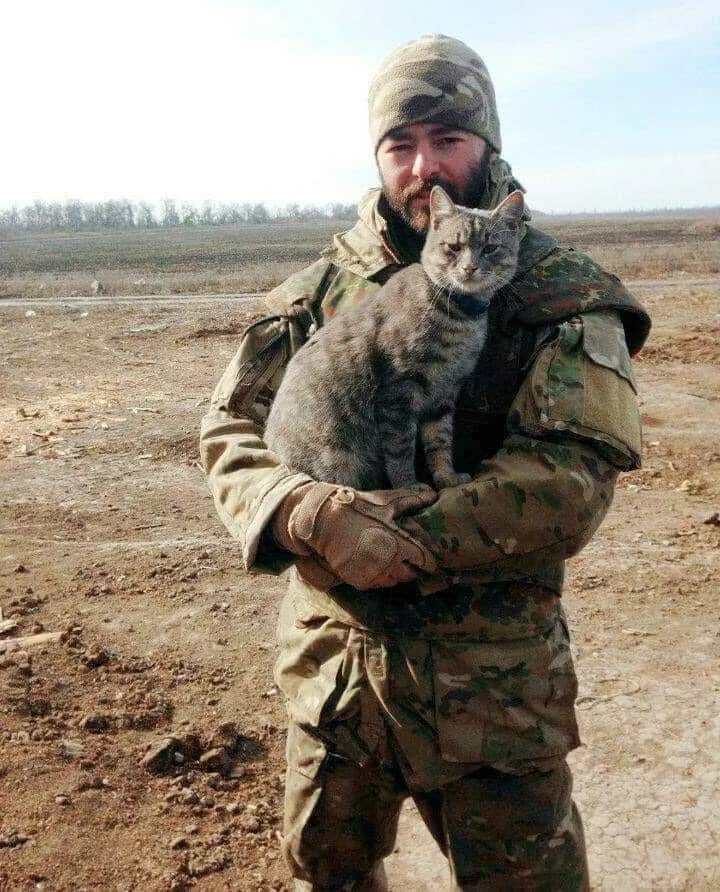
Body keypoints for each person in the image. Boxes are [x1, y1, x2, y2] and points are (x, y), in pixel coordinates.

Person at [200, 34, 651, 892]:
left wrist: (409, 536)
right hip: (335, 681)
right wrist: (305, 512)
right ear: (379, 156)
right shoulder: (318, 291)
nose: (426, 167)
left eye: (447, 139)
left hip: (493, 693)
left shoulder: (560, 292)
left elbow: (568, 482)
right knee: (329, 876)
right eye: (401, 146)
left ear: (485, 143)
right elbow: (229, 433)